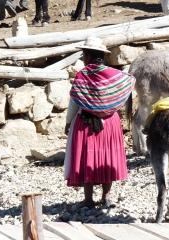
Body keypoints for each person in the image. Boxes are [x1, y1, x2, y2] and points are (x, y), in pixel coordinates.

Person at [64, 37, 132, 208]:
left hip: (86, 122)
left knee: (88, 157)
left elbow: (74, 101)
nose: (82, 58)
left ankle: (88, 200)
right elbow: (128, 83)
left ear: (88, 56)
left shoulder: (83, 75)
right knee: (106, 156)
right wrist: (110, 106)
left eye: (83, 54)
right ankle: (106, 196)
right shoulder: (115, 75)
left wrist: (68, 122)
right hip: (110, 122)